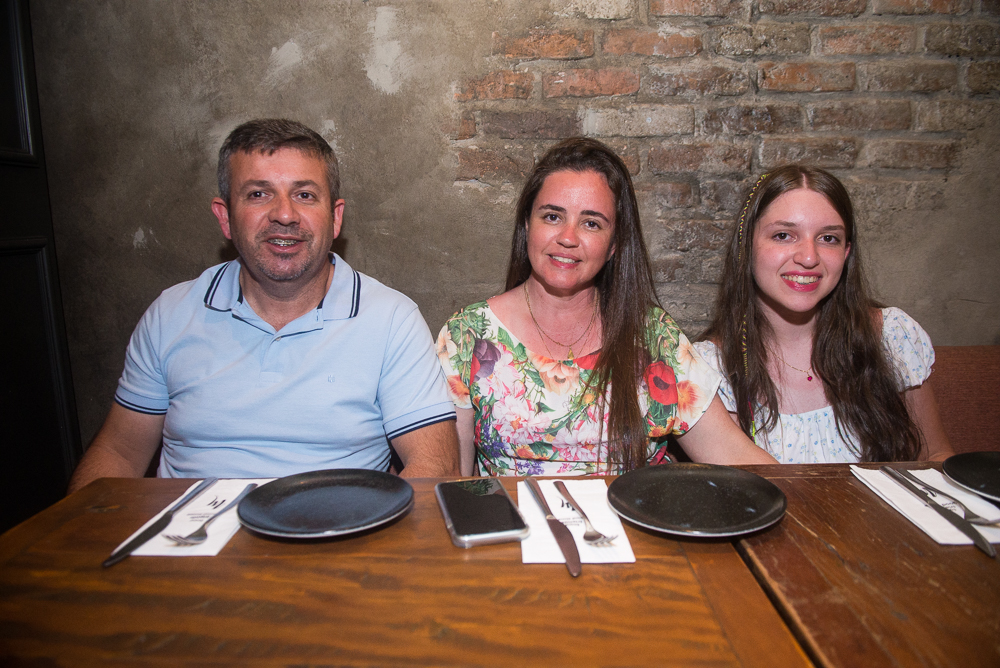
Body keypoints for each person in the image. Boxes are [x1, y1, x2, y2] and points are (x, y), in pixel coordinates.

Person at [68, 119, 459, 493]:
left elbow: (436, 467)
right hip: (191, 545)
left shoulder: (390, 318)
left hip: (334, 538)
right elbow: (118, 452)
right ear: (225, 218)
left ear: (335, 218)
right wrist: (77, 535)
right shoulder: (170, 314)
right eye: (258, 194)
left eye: (305, 195)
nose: (284, 215)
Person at [437, 137, 776, 476]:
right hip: (516, 525)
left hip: (634, 525)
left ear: (614, 244)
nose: (568, 237)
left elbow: (731, 452)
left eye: (591, 223)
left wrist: (810, 501)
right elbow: (456, 480)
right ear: (527, 226)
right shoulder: (467, 335)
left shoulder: (655, 336)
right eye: (553, 216)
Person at [696, 165, 954, 463]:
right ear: (746, 248)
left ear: (846, 252)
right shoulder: (711, 369)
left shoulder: (891, 336)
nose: (808, 257)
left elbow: (936, 454)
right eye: (783, 235)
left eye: (828, 238)